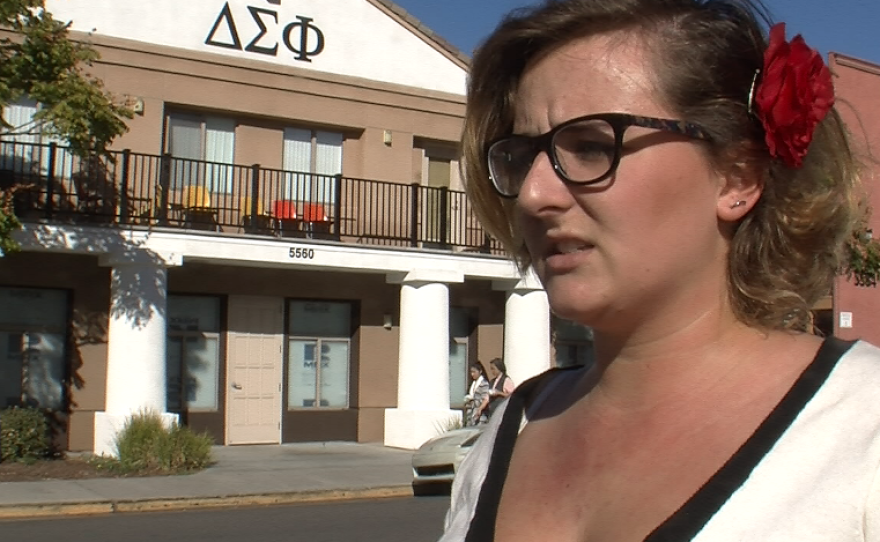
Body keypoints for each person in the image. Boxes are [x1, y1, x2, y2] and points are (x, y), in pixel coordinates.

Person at [440, 0, 880, 541]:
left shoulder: (862, 430)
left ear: (737, 177)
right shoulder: (507, 434)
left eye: (592, 146)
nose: (534, 194)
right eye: (521, 157)